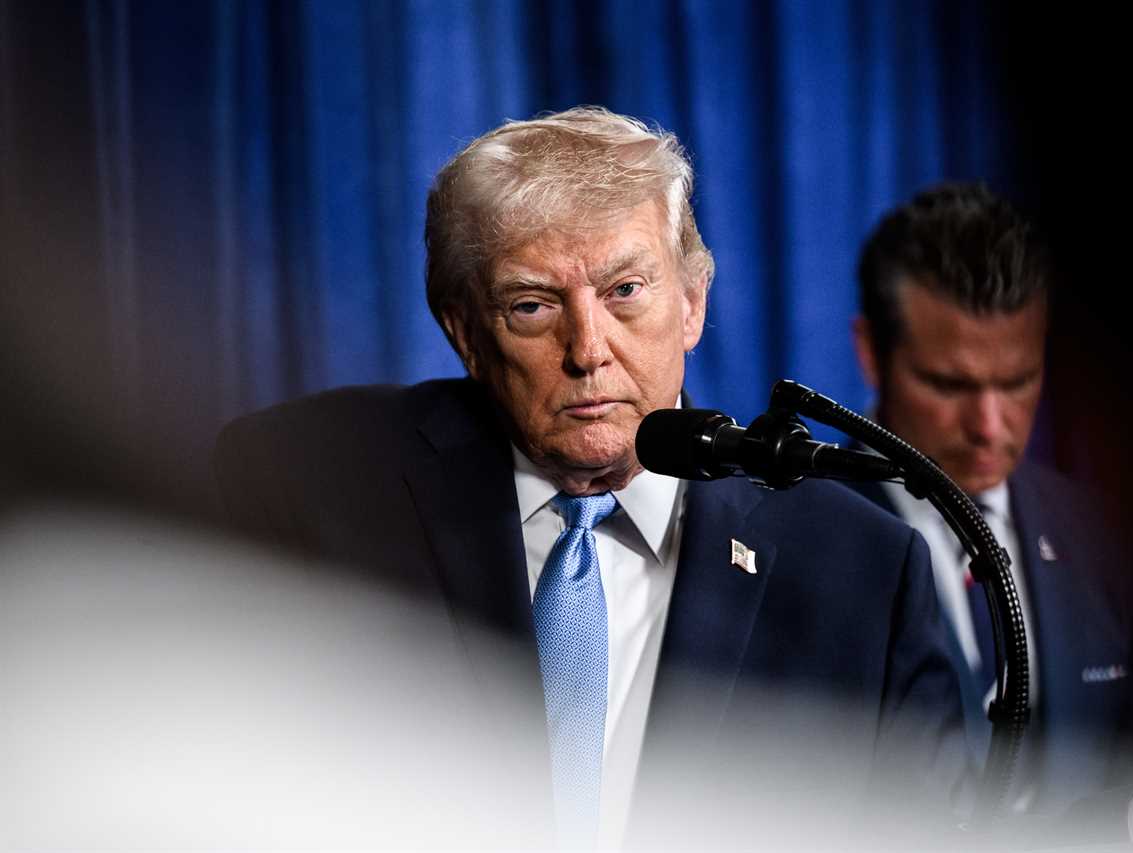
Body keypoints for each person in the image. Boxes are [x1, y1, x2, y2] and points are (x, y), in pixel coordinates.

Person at [214, 108, 967, 848]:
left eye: (625, 291)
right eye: (533, 305)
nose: (588, 350)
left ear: (694, 303)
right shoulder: (308, 486)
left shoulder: (864, 575)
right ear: (465, 333)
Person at [848, 182, 1133, 833]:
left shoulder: (1111, 537)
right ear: (871, 353)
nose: (989, 423)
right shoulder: (795, 538)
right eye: (950, 383)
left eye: (1018, 380)